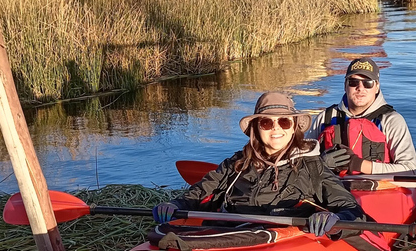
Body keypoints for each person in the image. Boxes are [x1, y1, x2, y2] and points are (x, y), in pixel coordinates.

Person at [152, 91, 369, 242]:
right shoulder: (235, 165)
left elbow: (353, 212)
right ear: (256, 128)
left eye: (284, 121)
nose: (276, 129)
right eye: (266, 122)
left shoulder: (313, 168)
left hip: (280, 246)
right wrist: (175, 204)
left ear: (294, 127)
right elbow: (199, 194)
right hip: (228, 238)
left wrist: (335, 219)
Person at [309, 57, 416, 176]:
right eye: (353, 82)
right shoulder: (325, 118)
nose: (360, 88)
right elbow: (303, 164)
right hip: (331, 185)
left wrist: (359, 165)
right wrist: (321, 163)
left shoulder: (391, 120)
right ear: (345, 85)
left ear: (377, 86)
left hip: (378, 187)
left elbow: (410, 170)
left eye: (367, 83)